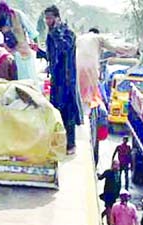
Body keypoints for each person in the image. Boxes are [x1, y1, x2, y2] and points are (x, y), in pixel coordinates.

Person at [43, 5, 82, 155]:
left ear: (57, 18)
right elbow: (54, 57)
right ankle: (59, 143)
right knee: (57, 111)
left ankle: (70, 145)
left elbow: (64, 48)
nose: (47, 21)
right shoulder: (51, 34)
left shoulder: (67, 34)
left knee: (68, 112)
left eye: (50, 18)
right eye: (46, 18)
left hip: (66, 81)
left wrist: (57, 31)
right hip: (57, 80)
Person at [76, 27, 137, 107]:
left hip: (76, 65)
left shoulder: (79, 38)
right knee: (91, 96)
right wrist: (133, 50)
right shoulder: (98, 38)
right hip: (90, 67)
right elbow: (115, 47)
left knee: (80, 92)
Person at [0, 1, 40, 82]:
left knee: (29, 83)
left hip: (24, 56)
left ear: (1, 11)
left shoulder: (17, 14)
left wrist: (36, 44)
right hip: (9, 58)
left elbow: (32, 32)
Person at [98, 159, 121, 225]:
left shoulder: (118, 174)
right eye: (115, 165)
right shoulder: (108, 172)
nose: (116, 167)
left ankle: (102, 215)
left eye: (117, 165)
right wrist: (98, 174)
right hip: (108, 194)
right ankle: (109, 224)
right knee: (109, 209)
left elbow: (119, 184)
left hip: (114, 195)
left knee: (110, 208)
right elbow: (100, 178)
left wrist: (118, 194)